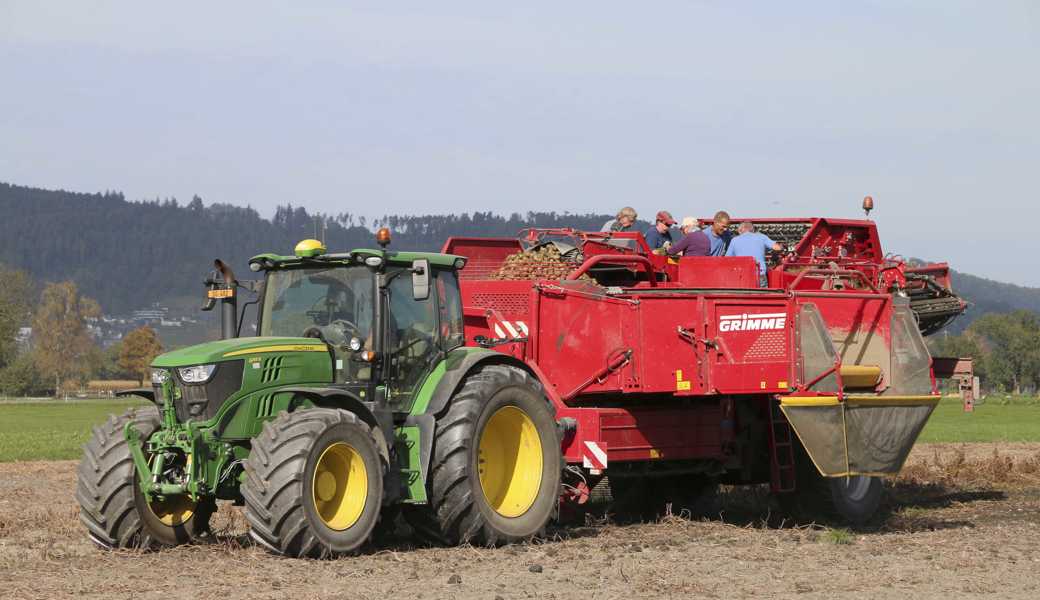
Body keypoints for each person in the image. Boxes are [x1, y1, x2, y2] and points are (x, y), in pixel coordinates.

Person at [726, 221, 783, 287]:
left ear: (740, 230)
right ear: (752, 230)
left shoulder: (734, 240)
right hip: (759, 275)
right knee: (761, 296)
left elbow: (727, 259)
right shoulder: (762, 237)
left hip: (741, 277)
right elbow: (778, 248)